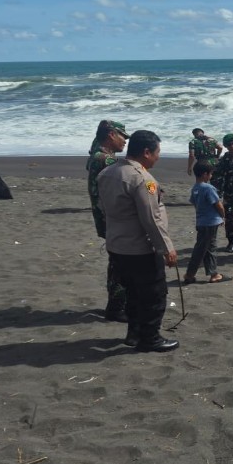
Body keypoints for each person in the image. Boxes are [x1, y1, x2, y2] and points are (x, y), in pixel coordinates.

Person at [96, 130, 179, 353]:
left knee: (132, 293)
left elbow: (103, 208)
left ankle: (134, 334)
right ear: (146, 152)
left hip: (117, 245)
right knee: (153, 295)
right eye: (157, 152)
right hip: (140, 249)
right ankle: (150, 338)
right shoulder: (143, 179)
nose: (158, 157)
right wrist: (167, 248)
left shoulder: (106, 173)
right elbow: (151, 218)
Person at [86, 119, 130, 321]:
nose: (125, 141)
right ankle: (116, 307)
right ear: (111, 135)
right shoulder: (105, 159)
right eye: (122, 136)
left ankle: (116, 305)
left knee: (117, 262)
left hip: (107, 217)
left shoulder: (98, 155)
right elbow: (128, 179)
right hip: (112, 219)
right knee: (121, 264)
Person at [184, 161, 228, 284]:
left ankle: (214, 273)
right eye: (210, 174)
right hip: (210, 222)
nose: (211, 176)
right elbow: (218, 204)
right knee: (201, 249)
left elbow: (194, 202)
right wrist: (223, 216)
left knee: (210, 247)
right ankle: (189, 274)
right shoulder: (208, 188)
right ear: (205, 174)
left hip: (202, 221)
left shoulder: (195, 188)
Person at [210, 132, 233, 253]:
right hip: (230, 193)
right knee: (230, 219)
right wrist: (217, 196)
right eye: (229, 145)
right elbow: (216, 178)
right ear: (226, 146)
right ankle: (231, 242)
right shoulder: (224, 160)